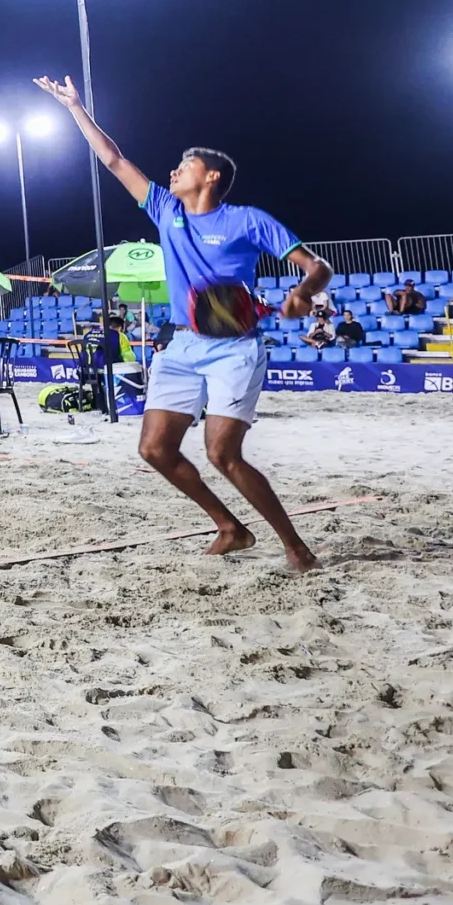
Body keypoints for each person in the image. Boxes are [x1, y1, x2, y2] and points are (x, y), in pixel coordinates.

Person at [35, 74, 328, 572]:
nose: (174, 170)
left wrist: (302, 294)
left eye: (185, 165)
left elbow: (317, 266)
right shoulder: (166, 211)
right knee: (154, 448)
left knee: (222, 454)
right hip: (184, 346)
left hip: (234, 347)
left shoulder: (247, 221)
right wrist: (74, 108)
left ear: (211, 176)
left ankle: (296, 547)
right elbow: (114, 159)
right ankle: (231, 528)